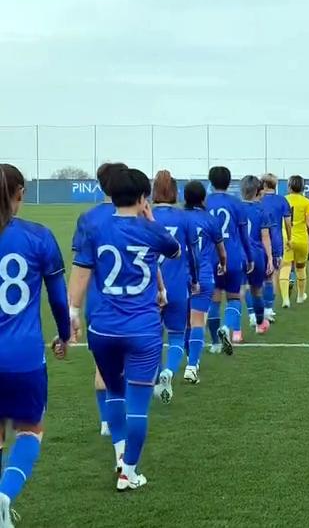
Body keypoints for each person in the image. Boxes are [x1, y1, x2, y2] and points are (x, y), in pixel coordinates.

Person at [69, 167, 181, 491]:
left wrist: (72, 314)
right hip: (143, 329)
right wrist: (151, 219)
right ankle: (129, 471)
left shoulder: (95, 229)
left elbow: (80, 274)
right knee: (139, 405)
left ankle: (119, 453)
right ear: (143, 197)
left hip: (103, 328)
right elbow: (174, 250)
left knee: (114, 392)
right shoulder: (151, 230)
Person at [0, 164, 70, 526]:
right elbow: (58, 299)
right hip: (23, 357)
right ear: (20, 193)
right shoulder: (39, 237)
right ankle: (4, 495)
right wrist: (64, 335)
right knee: (30, 430)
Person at [70, 162, 125, 436]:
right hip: (131, 302)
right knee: (130, 364)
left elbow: (80, 265)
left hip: (98, 302)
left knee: (102, 364)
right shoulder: (132, 215)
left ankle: (106, 421)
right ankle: (122, 417)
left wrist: (73, 309)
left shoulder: (88, 218)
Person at [151, 171, 200, 403]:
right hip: (178, 284)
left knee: (152, 336)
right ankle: (169, 371)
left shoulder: (144, 216)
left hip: (150, 286)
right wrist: (195, 280)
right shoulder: (184, 218)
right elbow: (193, 254)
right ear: (175, 192)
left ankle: (158, 375)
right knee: (177, 336)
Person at [182, 181, 227, 384]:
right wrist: (223, 264)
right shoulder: (210, 220)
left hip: (180, 276)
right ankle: (192, 366)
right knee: (197, 321)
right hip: (203, 275)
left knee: (185, 321)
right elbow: (221, 251)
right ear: (203, 198)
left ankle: (189, 357)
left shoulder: (180, 218)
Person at [205, 166, 252, 353]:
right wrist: (249, 257)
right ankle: (226, 327)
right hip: (232, 256)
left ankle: (215, 343)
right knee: (234, 298)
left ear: (210, 181)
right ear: (229, 182)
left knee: (214, 300)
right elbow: (244, 235)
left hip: (210, 257)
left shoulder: (205, 203)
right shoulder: (237, 203)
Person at [239, 176, 275, 331]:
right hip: (256, 254)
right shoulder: (261, 210)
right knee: (256, 289)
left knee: (239, 291)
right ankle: (260, 324)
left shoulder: (236, 209)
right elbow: (265, 237)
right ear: (257, 191)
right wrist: (270, 258)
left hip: (238, 254)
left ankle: (237, 330)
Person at [279, 176, 309, 307]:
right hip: (302, 239)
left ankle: (285, 299)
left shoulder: (283, 200)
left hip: (286, 238)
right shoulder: (307, 202)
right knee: (301, 267)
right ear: (303, 188)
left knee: (285, 266)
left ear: (289, 186)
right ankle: (300, 296)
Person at [258, 174, 292, 322]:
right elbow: (288, 222)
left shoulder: (258, 200)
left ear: (264, 185)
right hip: (276, 241)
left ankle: (257, 309)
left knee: (257, 277)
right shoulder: (282, 200)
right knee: (272, 275)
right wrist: (289, 238)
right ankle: (269, 309)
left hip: (259, 240)